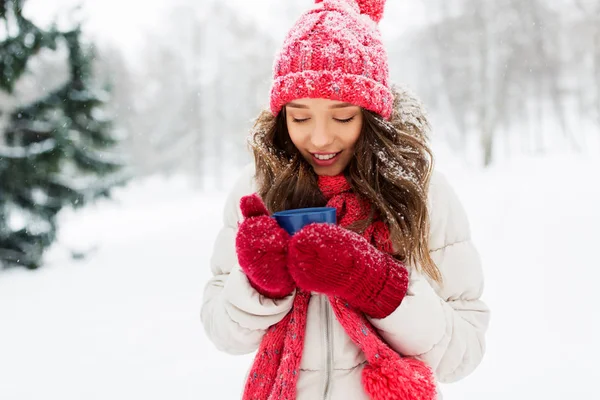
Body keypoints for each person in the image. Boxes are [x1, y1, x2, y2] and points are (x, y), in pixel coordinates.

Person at [201, 0, 490, 399]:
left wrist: (379, 286)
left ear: (372, 117)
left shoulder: (421, 194)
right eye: (300, 117)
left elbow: (463, 353)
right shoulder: (258, 192)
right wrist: (259, 286)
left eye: (342, 117)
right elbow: (223, 333)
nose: (319, 139)